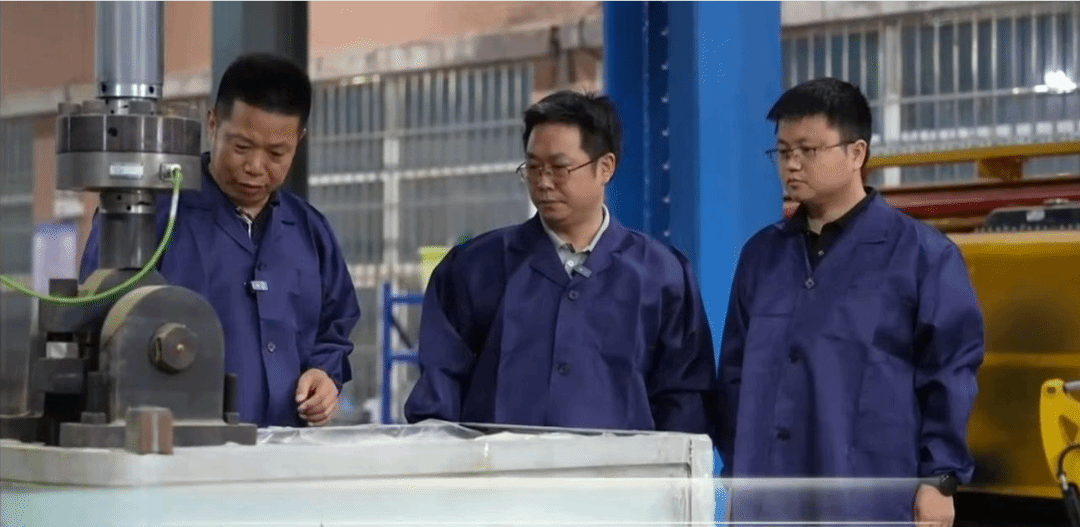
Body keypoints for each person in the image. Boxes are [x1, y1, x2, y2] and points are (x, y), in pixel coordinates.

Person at [716, 77, 985, 526]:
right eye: (783, 152)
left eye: (808, 150)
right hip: (768, 498)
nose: (792, 164)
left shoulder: (923, 257)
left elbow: (949, 373)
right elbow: (734, 377)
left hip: (869, 498)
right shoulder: (761, 256)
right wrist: (736, 473)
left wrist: (940, 478)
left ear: (856, 153)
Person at [403, 90, 717, 435]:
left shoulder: (661, 275)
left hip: (621, 470)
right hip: (500, 469)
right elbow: (439, 394)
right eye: (533, 168)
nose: (543, 182)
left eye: (559, 168)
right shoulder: (474, 269)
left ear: (605, 167)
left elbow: (684, 402)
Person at [79, 53, 361, 428]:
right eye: (241, 147)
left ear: (300, 141)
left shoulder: (311, 233)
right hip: (179, 449)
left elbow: (335, 327)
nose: (255, 167)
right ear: (213, 124)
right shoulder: (150, 217)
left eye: (277, 153)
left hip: (284, 452)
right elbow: (97, 318)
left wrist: (324, 375)